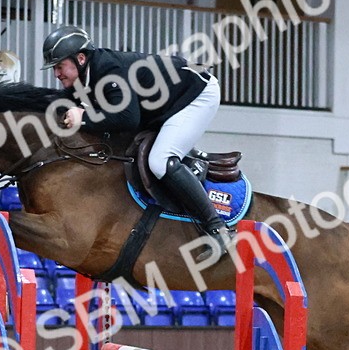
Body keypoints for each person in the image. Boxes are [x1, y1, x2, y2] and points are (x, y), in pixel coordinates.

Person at [41, 24, 231, 262]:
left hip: (198, 94)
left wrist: (83, 119)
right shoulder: (84, 77)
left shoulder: (109, 71)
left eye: (59, 66)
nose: (56, 73)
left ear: (80, 58)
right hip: (167, 99)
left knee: (160, 161)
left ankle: (217, 228)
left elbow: (128, 119)